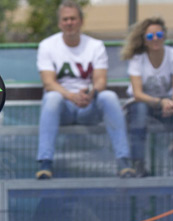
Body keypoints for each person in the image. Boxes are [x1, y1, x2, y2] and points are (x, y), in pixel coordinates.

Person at [35, 0, 135, 179]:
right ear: (59, 23)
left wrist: (91, 94)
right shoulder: (47, 45)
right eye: (65, 19)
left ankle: (123, 161)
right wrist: (71, 96)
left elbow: (101, 80)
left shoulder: (95, 46)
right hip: (63, 107)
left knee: (109, 96)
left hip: (88, 107)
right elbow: (49, 83)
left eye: (73, 18)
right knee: (52, 97)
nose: (69, 23)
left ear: (81, 21)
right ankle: (45, 163)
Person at [120, 17, 173, 176]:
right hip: (143, 104)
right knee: (139, 110)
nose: (155, 39)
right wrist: (160, 102)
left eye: (159, 34)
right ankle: (139, 163)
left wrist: (172, 102)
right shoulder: (137, 59)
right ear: (144, 40)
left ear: (164, 36)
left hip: (167, 106)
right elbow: (138, 94)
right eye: (150, 36)